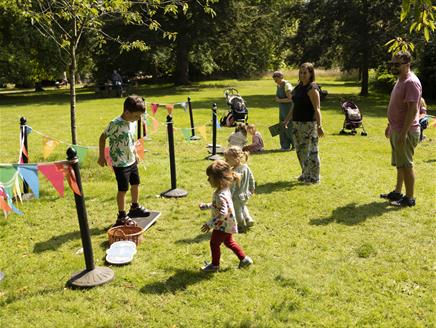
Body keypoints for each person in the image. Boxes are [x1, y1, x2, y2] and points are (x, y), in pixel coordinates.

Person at [98, 95, 150, 226]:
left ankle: (134, 207)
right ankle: (121, 216)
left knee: (135, 183)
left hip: (131, 159)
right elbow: (102, 137)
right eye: (137, 116)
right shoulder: (115, 124)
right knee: (122, 189)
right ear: (127, 112)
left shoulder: (131, 123)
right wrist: (101, 156)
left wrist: (136, 153)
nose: (138, 119)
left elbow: (131, 140)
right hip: (120, 163)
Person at [380, 51, 421, 207]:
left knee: (407, 164)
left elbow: (412, 109)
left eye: (397, 64)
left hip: (406, 131)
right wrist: (390, 125)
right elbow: (398, 107)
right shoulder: (400, 80)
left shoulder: (411, 82)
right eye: (392, 64)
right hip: (397, 129)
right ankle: (398, 192)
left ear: (407, 64)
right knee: (400, 163)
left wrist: (403, 133)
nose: (393, 67)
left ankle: (409, 198)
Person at [199, 160, 253, 272]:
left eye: (210, 177)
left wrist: (210, 224)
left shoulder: (221, 195)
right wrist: (207, 206)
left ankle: (215, 265)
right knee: (229, 242)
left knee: (214, 243)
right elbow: (219, 206)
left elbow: (223, 213)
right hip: (229, 223)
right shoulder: (224, 189)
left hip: (222, 225)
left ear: (219, 179)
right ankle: (244, 259)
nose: (208, 180)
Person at [284, 62, 324, 184]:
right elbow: (294, 105)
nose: (302, 75)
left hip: (308, 125)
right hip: (297, 124)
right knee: (300, 151)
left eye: (305, 73)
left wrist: (319, 126)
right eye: (301, 72)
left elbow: (317, 108)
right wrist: (287, 119)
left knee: (311, 151)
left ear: (311, 73)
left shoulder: (312, 88)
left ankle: (314, 177)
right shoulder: (299, 87)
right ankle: (305, 173)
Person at [224, 146, 255, 232]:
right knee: (243, 206)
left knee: (237, 211)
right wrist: (252, 188)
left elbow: (232, 187)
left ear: (235, 159)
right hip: (246, 194)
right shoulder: (246, 167)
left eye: (227, 160)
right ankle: (248, 219)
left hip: (236, 197)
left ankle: (240, 225)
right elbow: (252, 178)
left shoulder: (235, 172)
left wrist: (228, 196)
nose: (226, 162)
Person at [273, 71, 294, 150]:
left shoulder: (287, 85)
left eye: (277, 80)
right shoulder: (278, 85)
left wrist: (279, 100)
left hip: (288, 110)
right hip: (282, 110)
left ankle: (294, 145)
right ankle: (285, 146)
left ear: (281, 77)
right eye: (274, 80)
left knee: (290, 127)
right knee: (282, 127)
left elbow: (291, 99)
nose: (276, 81)